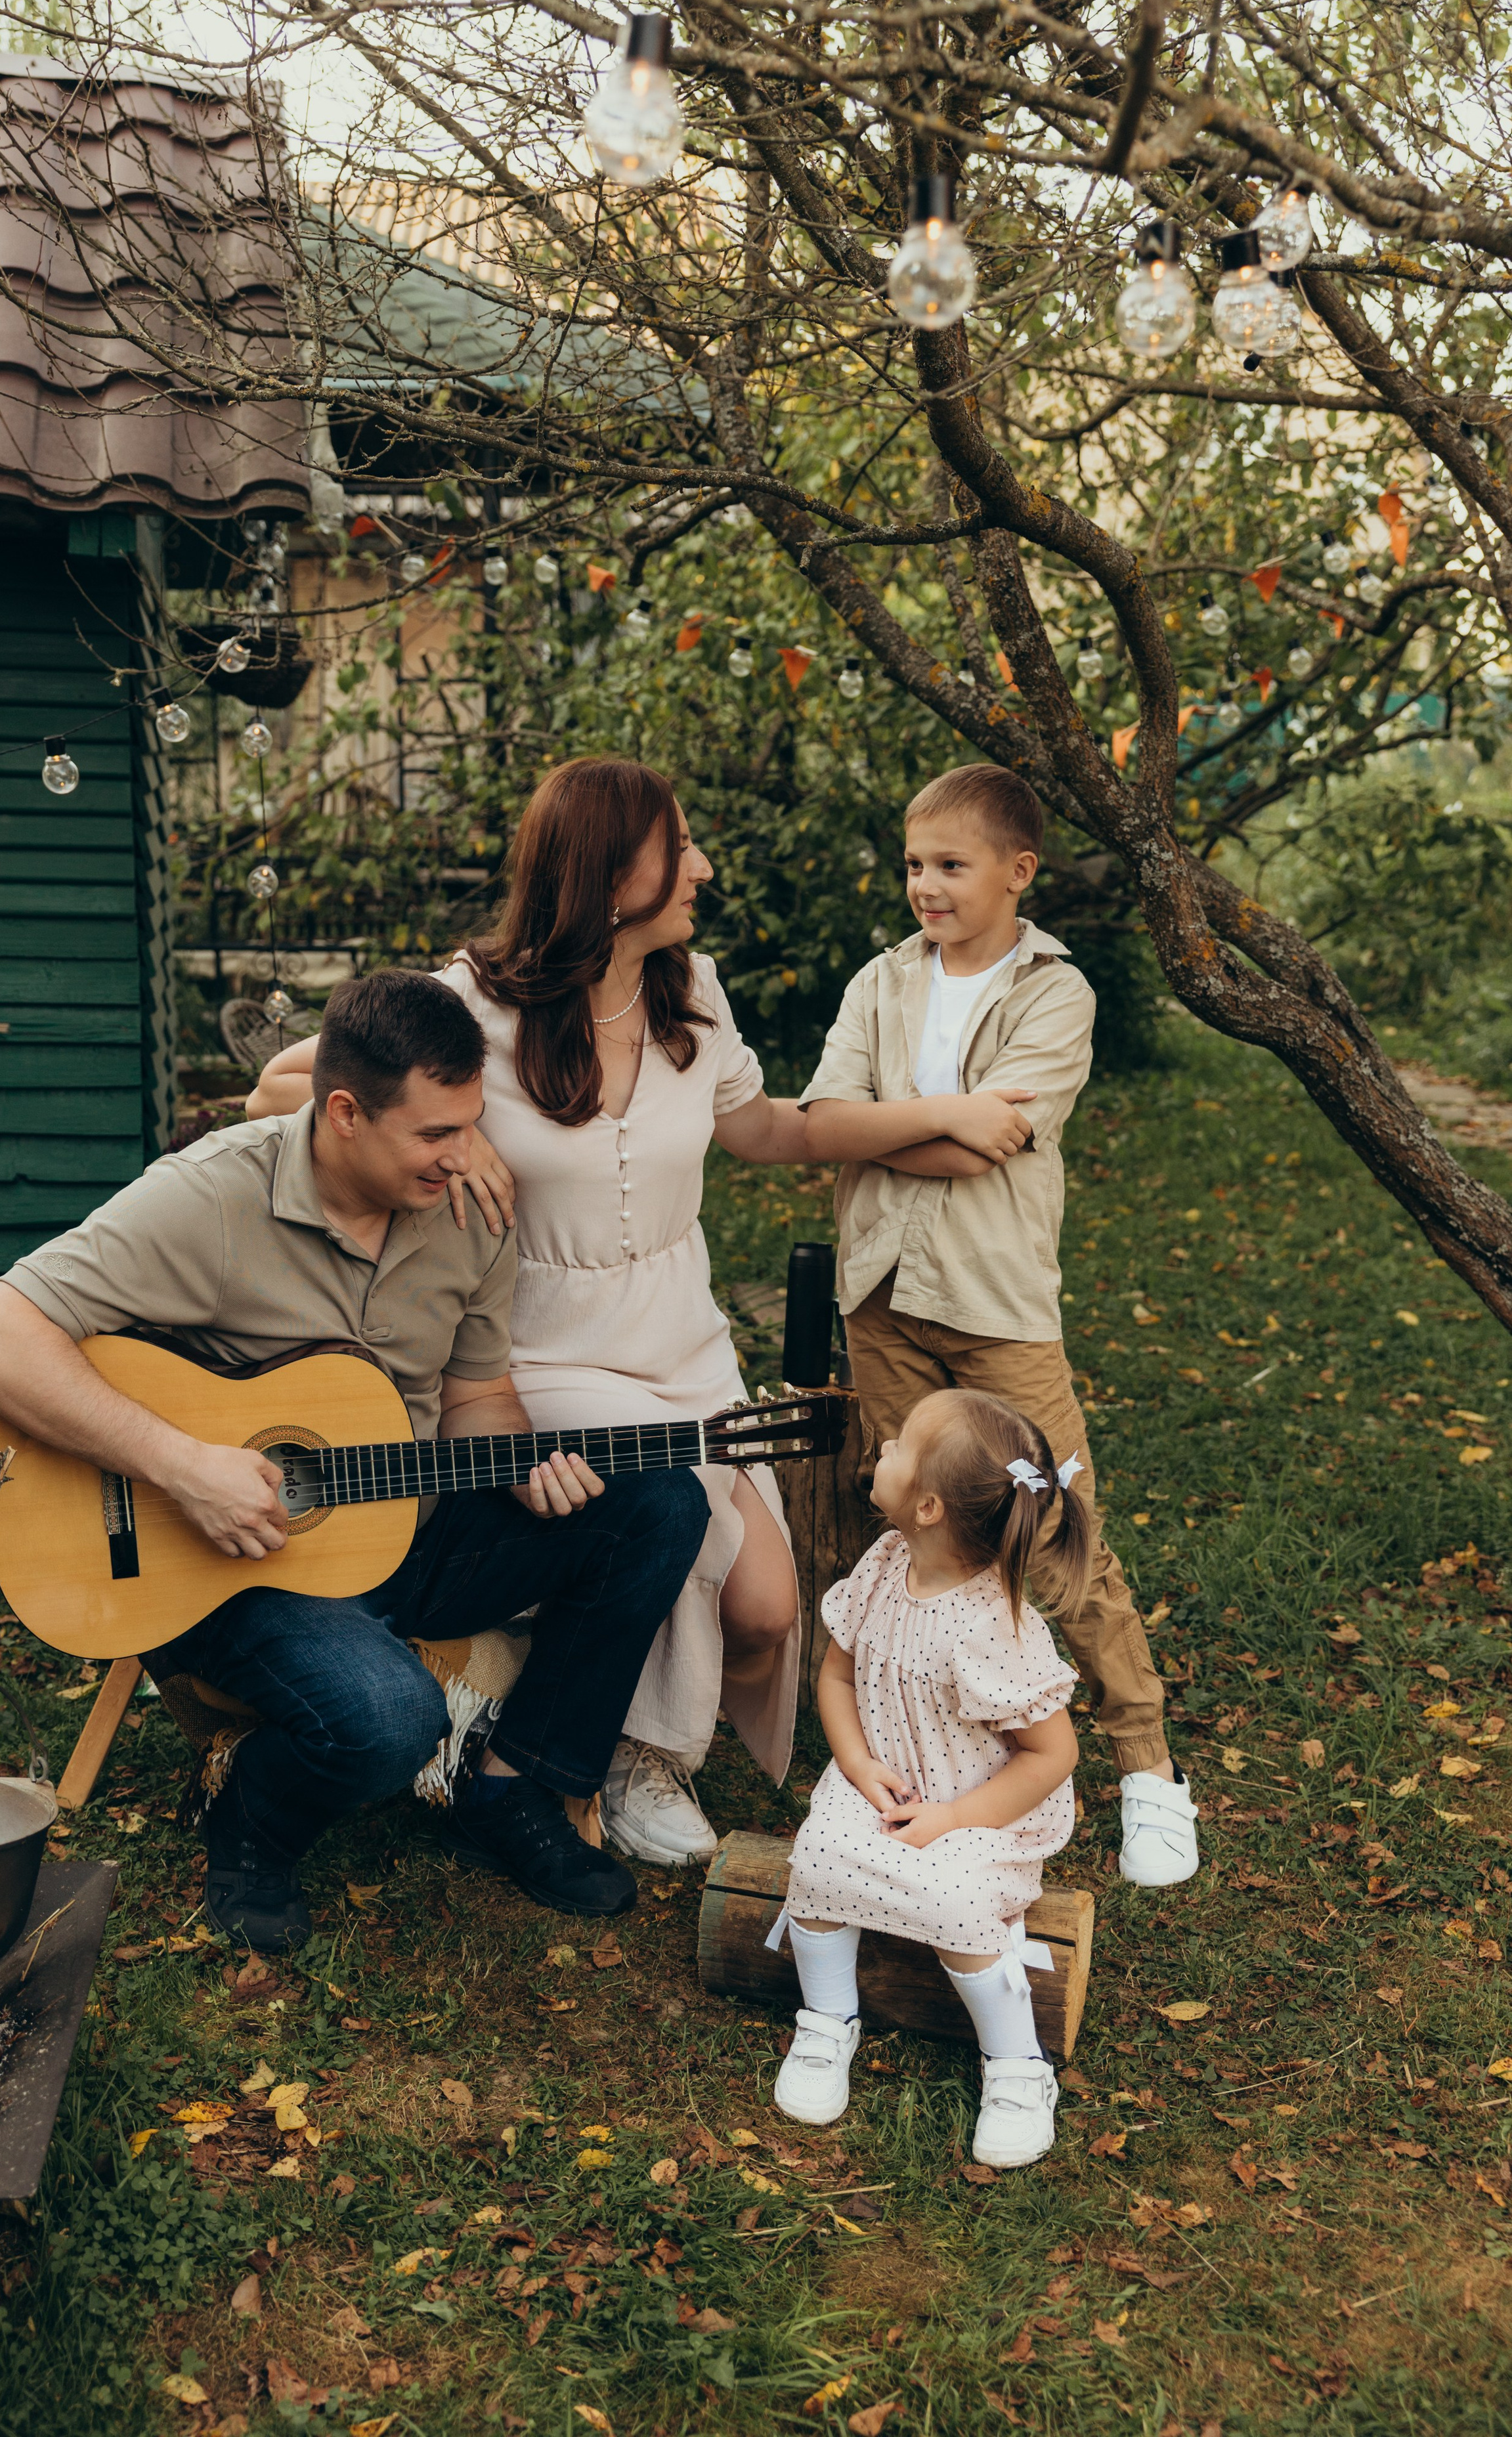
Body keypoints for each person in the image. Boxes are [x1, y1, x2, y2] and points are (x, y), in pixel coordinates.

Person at [0, 969, 710, 1950]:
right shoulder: (211, 1197)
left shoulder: (469, 1211)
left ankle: (513, 1787)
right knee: (393, 1720)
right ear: (344, 1112)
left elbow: (475, 1399)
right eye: (435, 1133)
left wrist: (518, 1462)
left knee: (662, 1505)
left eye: (470, 1122)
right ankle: (250, 1822)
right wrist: (183, 1466)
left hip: (411, 1540)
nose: (464, 1154)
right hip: (226, 1568)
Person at [249, 759, 813, 1867]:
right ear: (610, 879)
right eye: (679, 845)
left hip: (680, 1330)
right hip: (540, 1341)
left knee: (769, 1610)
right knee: (676, 1506)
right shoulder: (469, 999)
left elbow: (774, 1127)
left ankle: (601, 1707)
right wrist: (453, 1142)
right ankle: (632, 1754)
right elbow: (284, 1088)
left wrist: (939, 1122)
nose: (701, 865)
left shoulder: (691, 990)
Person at [800, 762, 1197, 1888]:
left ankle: (1147, 1766)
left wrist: (877, 1132)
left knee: (1056, 1529)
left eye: (951, 866)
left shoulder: (1055, 994)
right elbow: (825, 1122)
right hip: (880, 1293)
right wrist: (919, 1124)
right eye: (915, 864)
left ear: (1018, 872)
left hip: (995, 1307)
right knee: (917, 1525)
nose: (925, 886)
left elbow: (994, 1141)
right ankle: (915, 1733)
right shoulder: (882, 982)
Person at [769, 1389, 1085, 2168]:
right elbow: (836, 1679)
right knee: (814, 1862)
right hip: (883, 1778)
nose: (882, 1449)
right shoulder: (884, 1563)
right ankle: (827, 2021)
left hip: (977, 1807)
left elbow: (1052, 1755)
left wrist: (955, 1820)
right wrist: (855, 1763)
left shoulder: (991, 1628)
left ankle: (1017, 2066)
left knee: (957, 1901)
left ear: (930, 1506)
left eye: (899, 1445)